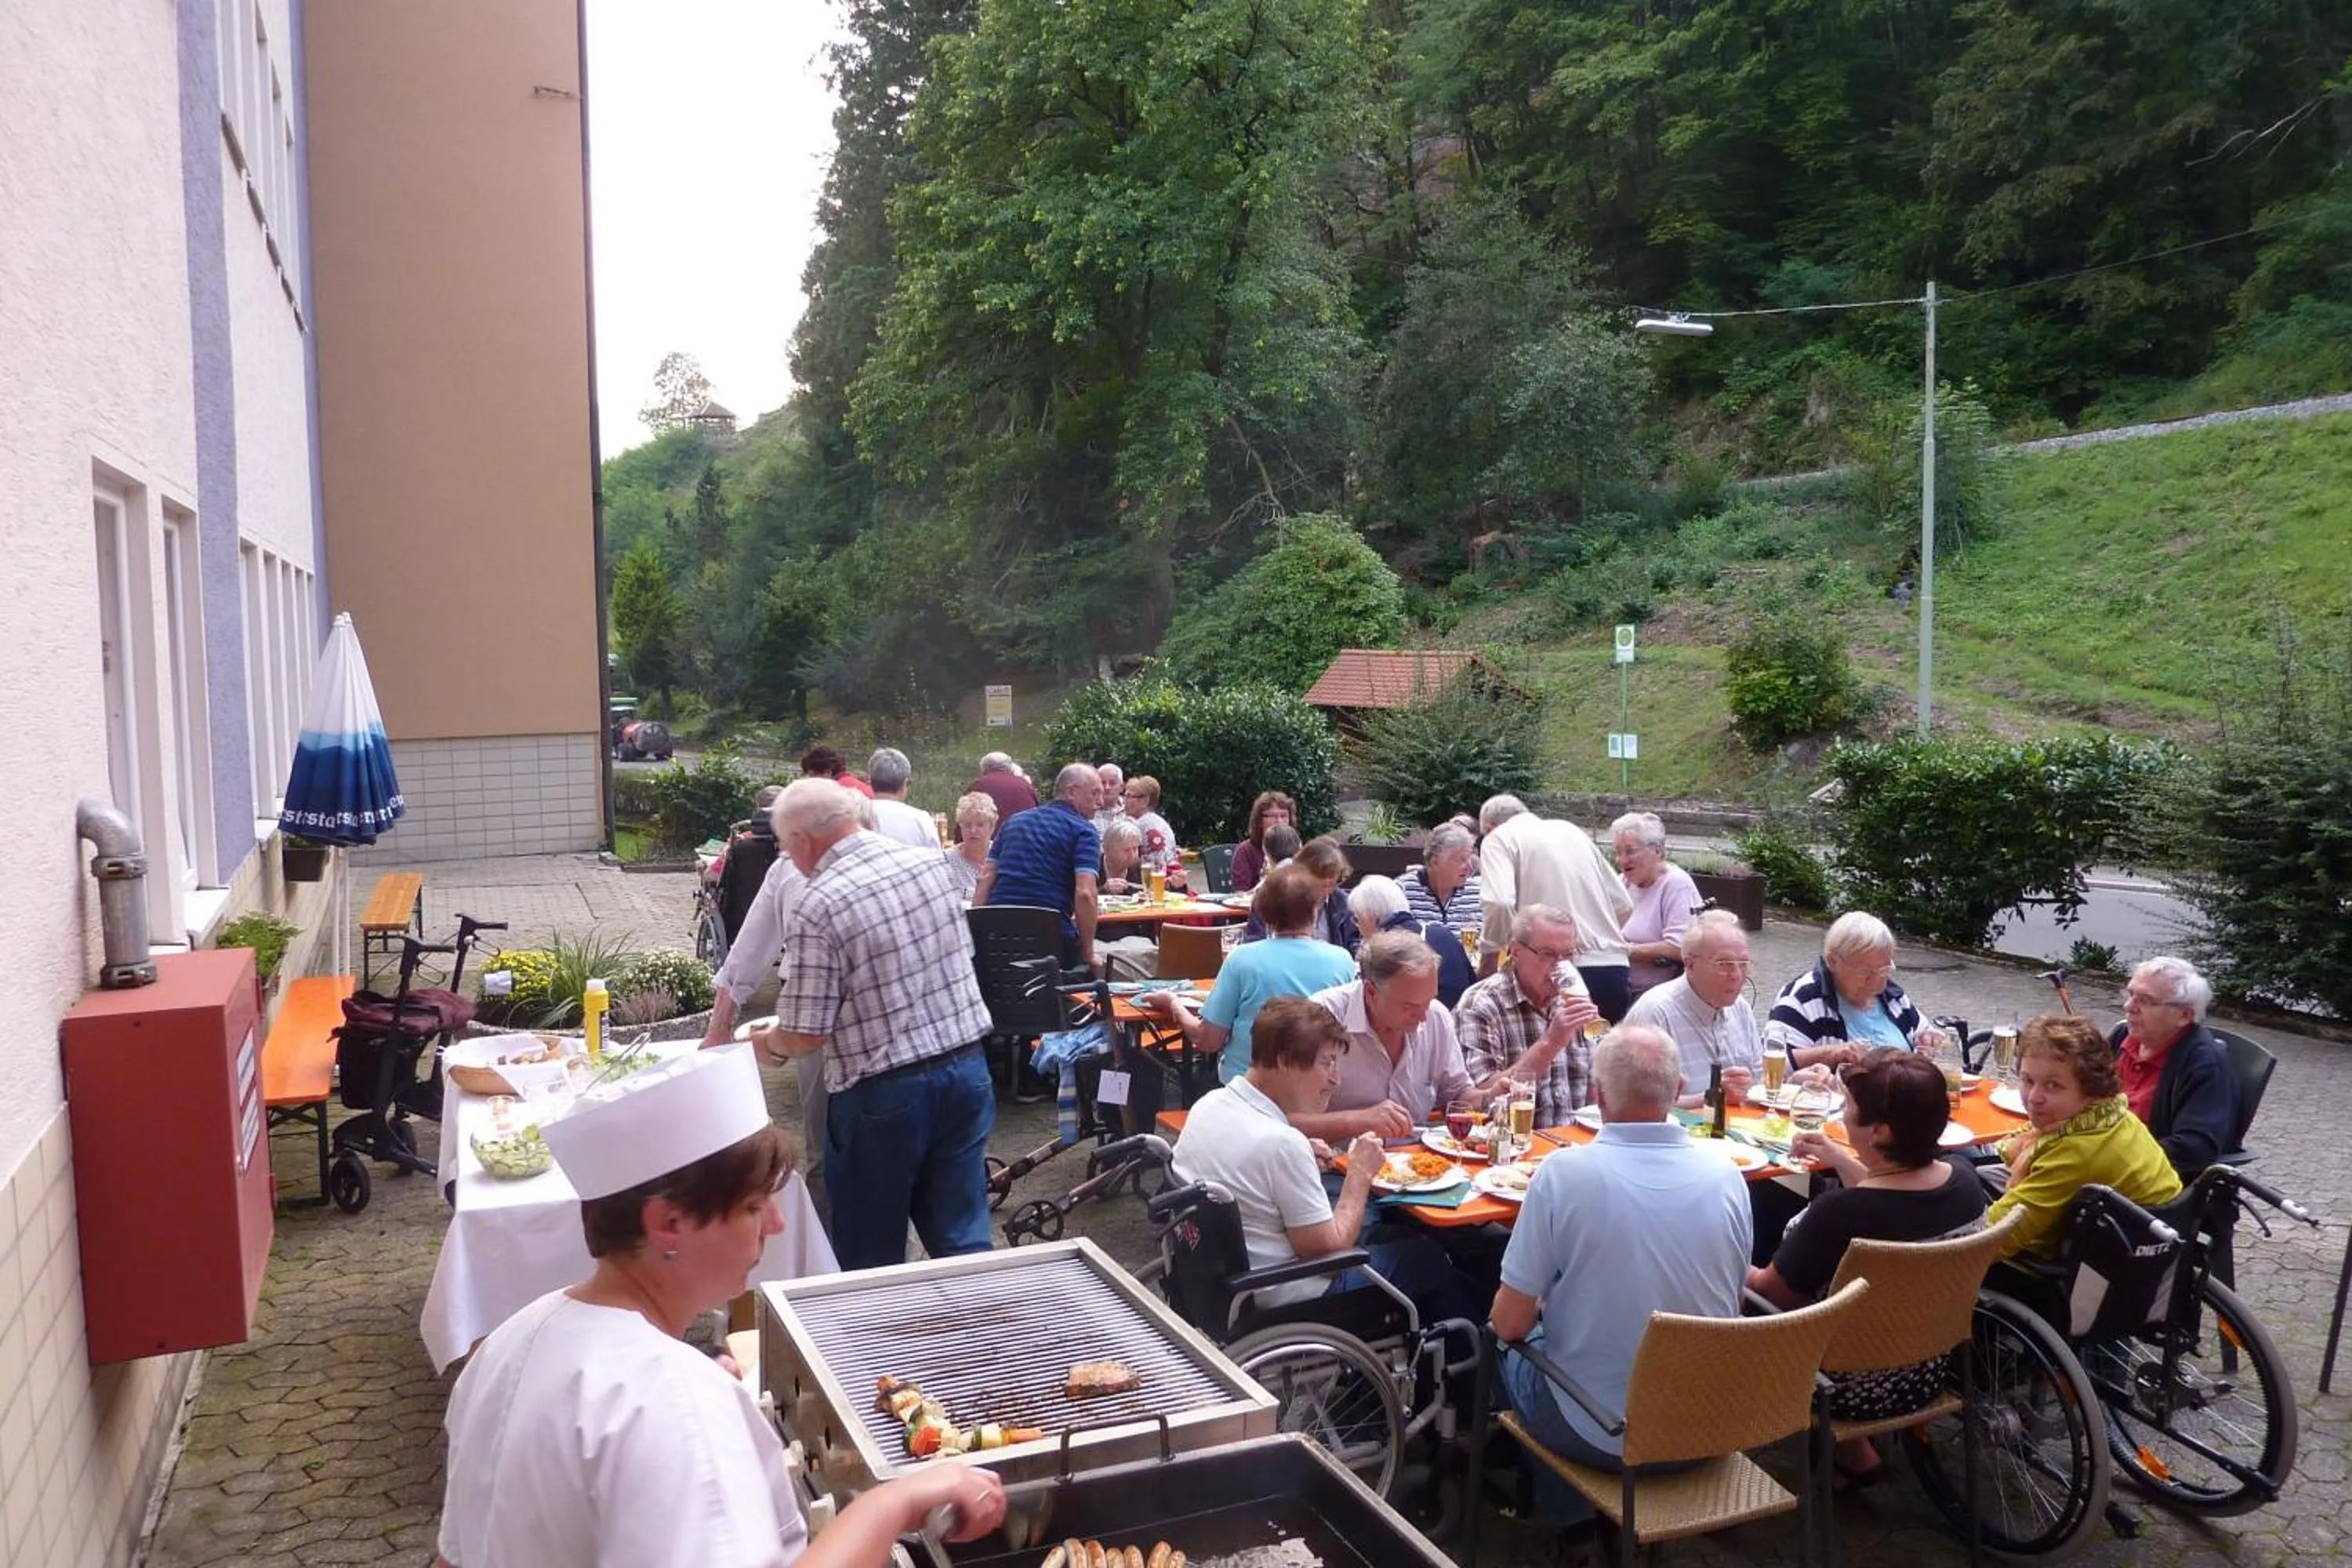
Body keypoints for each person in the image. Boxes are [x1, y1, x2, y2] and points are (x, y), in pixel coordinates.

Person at [437, 1046, 1005, 1566]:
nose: (778, 1224)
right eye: (756, 1205)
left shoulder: (508, 1340)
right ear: (669, 1224)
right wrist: (898, 1501)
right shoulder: (674, 1403)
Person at [1490, 1024, 1751, 1493]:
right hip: (1714, 1426)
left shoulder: (1563, 1173)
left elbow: (1509, 1325)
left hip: (1606, 1435)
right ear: (1677, 1091)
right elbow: (1730, 1294)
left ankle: (1568, 1520)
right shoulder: (1727, 1172)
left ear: (1598, 1095)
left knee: (1495, 1339)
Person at [750, 779, 998, 1272]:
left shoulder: (817, 903)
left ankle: (879, 1345)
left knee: (870, 1257)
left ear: (802, 839)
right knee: (964, 1238)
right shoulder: (930, 866)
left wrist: (766, 1045)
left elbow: (807, 1033)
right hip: (966, 1072)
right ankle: (983, 1338)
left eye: (784, 846)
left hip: (883, 1096)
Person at [1746, 1048, 1990, 1483]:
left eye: (1850, 1108)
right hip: (1930, 1368)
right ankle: (1856, 1453)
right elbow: (1894, 1202)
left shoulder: (1840, 1213)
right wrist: (1842, 1159)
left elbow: (1768, 1295)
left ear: (1879, 1131)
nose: (1843, 1114)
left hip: (1836, 1387)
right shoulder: (1963, 1181)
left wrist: (1721, 1255)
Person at [1987, 1014, 2183, 1259]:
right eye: (2027, 1080)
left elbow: (1991, 1240)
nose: (2034, 1097)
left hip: (2108, 1260)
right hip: (2144, 1227)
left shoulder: (2077, 1152)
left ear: (2090, 1088)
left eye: (2053, 1085)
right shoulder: (2110, 1113)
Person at [1146, 864, 1356, 1086]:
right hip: (1316, 1088)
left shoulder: (1242, 959)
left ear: (1264, 912)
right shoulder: (1342, 961)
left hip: (1248, 1088)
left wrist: (1174, 1004)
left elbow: (1207, 1040)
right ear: (1315, 910)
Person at [1478, 795, 1634, 1022]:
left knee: (1547, 1054)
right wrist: (1593, 937)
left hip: (1553, 974)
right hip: (1611, 968)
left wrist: (1490, 961)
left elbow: (1499, 903)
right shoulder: (1572, 831)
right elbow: (1623, 903)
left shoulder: (1497, 839)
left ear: (1491, 827)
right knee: (1602, 1055)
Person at [1454, 906, 1605, 1130]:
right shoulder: (1481, 1004)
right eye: (1547, 954)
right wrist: (1550, 1043)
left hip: (1577, 1146)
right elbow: (1481, 1099)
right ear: (1515, 951)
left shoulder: (1571, 998)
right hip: (1513, 1151)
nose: (1560, 966)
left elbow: (1600, 1087)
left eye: (1568, 955)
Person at [1764, 911, 1954, 1070]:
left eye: (1885, 969)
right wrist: (1833, 1053)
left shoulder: (1892, 995)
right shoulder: (1802, 998)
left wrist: (1930, 1039)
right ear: (1833, 961)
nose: (1879, 980)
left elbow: (1923, 1033)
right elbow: (1771, 1063)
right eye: (1866, 972)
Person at [2111, 956, 2239, 1178]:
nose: (2129, 1007)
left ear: (2184, 1015)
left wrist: (2115, 1157)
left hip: (2150, 1179)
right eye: (2131, 994)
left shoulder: (2204, 1064)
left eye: (2146, 1000)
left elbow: (2195, 1148)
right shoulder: (2122, 1036)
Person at [1624, 910, 1768, 1108]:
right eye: (1724, 964)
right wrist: (1711, 1097)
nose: (1736, 975)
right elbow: (1633, 1104)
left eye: (1744, 964)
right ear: (1690, 964)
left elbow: (1757, 1081)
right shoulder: (1656, 1013)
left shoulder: (1740, 1009)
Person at [975, 763, 1104, 971]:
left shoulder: (1014, 822)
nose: (1101, 802)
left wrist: (976, 937)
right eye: (1095, 793)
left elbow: (985, 877)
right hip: (1050, 942)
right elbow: (1086, 893)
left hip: (998, 940)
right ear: (1072, 792)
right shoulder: (1084, 831)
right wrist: (1088, 953)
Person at [1611, 811, 1704, 1000]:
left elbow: (1681, 947)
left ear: (1657, 851)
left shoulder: (1676, 885)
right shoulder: (1623, 883)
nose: (1622, 860)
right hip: (1622, 984)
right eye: (1618, 852)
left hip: (1657, 993)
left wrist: (1626, 951)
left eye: (1630, 851)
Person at [1348, 875, 1474, 1007]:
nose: (1358, 929)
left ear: (1371, 917)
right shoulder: (1444, 934)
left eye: (1357, 920)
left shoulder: (1380, 953)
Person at [1240, 836, 1360, 955]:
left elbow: (1353, 944)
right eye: (1322, 877)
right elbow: (1253, 941)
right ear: (1302, 872)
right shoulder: (1273, 896)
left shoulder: (1343, 903)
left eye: (1334, 881)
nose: (1328, 886)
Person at [713, 784, 786, 942]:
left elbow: (714, 875)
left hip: (743, 918)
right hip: (784, 919)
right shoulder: (796, 848)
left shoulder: (741, 843)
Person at [1399, 822, 1483, 932]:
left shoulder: (1478, 893)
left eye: (1469, 858)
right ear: (1435, 862)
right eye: (1461, 860)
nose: (1469, 866)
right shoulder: (1403, 892)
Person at [865, 747, 938, 849]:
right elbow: (935, 859)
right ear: (905, 783)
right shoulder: (921, 820)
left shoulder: (854, 817)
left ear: (870, 782)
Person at [1229, 790, 1298, 892]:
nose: (1279, 821)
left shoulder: (1297, 848)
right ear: (1259, 820)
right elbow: (1241, 892)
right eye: (1272, 816)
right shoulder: (1245, 850)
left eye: (1283, 816)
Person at [1119, 775, 1184, 883]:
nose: (1124, 801)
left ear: (1145, 801)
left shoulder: (1141, 826)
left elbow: (1154, 868)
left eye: (1129, 796)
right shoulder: (1159, 822)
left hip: (1157, 885)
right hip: (1172, 881)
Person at [962, 752, 1038, 838]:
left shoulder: (977, 786)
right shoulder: (1025, 785)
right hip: (1025, 842)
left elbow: (964, 819)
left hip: (989, 846)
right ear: (1010, 768)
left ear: (984, 769)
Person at [941, 791, 997, 900]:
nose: (973, 830)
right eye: (967, 825)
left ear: (992, 827)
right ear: (960, 826)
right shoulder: (946, 861)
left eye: (980, 825)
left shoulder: (1002, 858)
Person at [800, 744, 874, 798]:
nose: (809, 781)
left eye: (812, 776)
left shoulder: (833, 794)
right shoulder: (862, 786)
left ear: (827, 773)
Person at [1094, 761, 1127, 840]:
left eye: (1112, 783)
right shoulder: (1087, 812)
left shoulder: (1131, 810)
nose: (1107, 787)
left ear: (1122, 787)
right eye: (1103, 783)